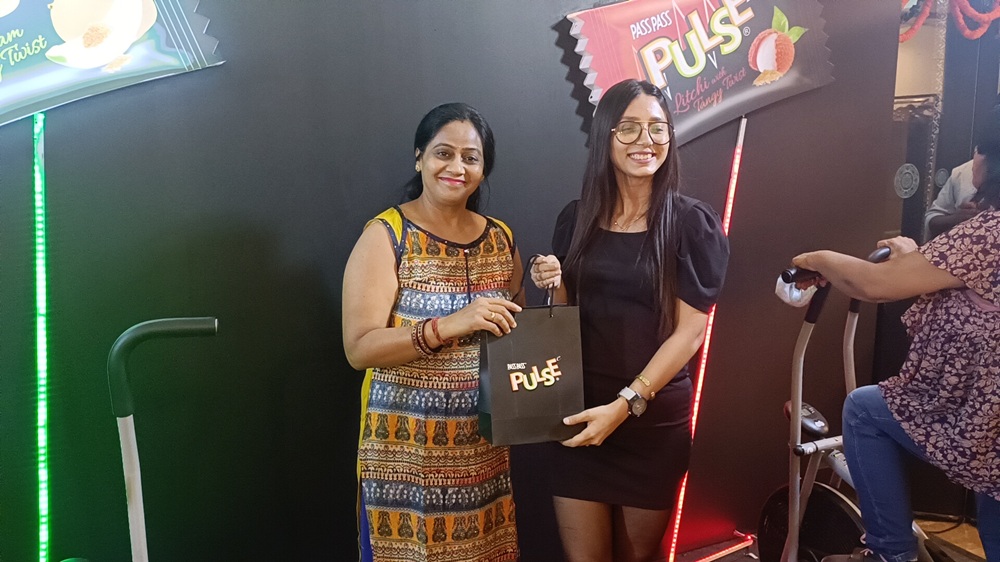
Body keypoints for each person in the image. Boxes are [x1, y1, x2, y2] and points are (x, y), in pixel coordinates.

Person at [529, 79, 730, 562]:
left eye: (657, 128)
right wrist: (552, 280)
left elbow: (690, 332)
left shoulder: (690, 223)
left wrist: (625, 405)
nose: (646, 140)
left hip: (649, 424)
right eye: (630, 128)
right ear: (606, 135)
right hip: (578, 414)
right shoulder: (576, 218)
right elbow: (565, 317)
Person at [792, 129, 1000, 562]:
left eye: (978, 150)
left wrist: (814, 259)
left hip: (986, 422)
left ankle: (891, 552)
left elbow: (875, 284)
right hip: (988, 425)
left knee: (864, 409)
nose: (972, 161)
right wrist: (915, 258)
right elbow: (952, 275)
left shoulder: (988, 234)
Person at [342, 102, 524, 562]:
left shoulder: (501, 238)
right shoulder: (387, 235)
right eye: (444, 153)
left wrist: (553, 285)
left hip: (483, 455)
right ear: (419, 157)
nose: (456, 167)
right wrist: (448, 326)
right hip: (405, 458)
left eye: (471, 157)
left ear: (483, 169)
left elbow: (518, 332)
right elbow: (359, 348)